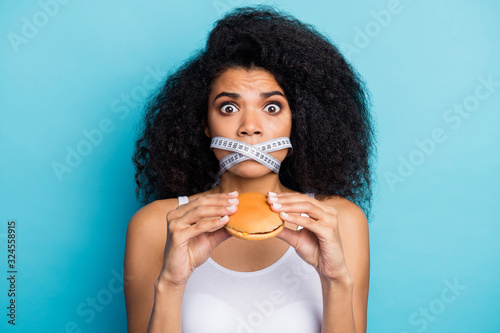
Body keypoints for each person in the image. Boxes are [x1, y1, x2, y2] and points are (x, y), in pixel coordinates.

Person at [124, 6, 374, 333]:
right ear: (205, 125)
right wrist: (171, 282)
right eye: (229, 108)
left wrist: (335, 280)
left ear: (298, 122)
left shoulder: (338, 222)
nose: (250, 128)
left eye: (272, 107)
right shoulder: (158, 226)